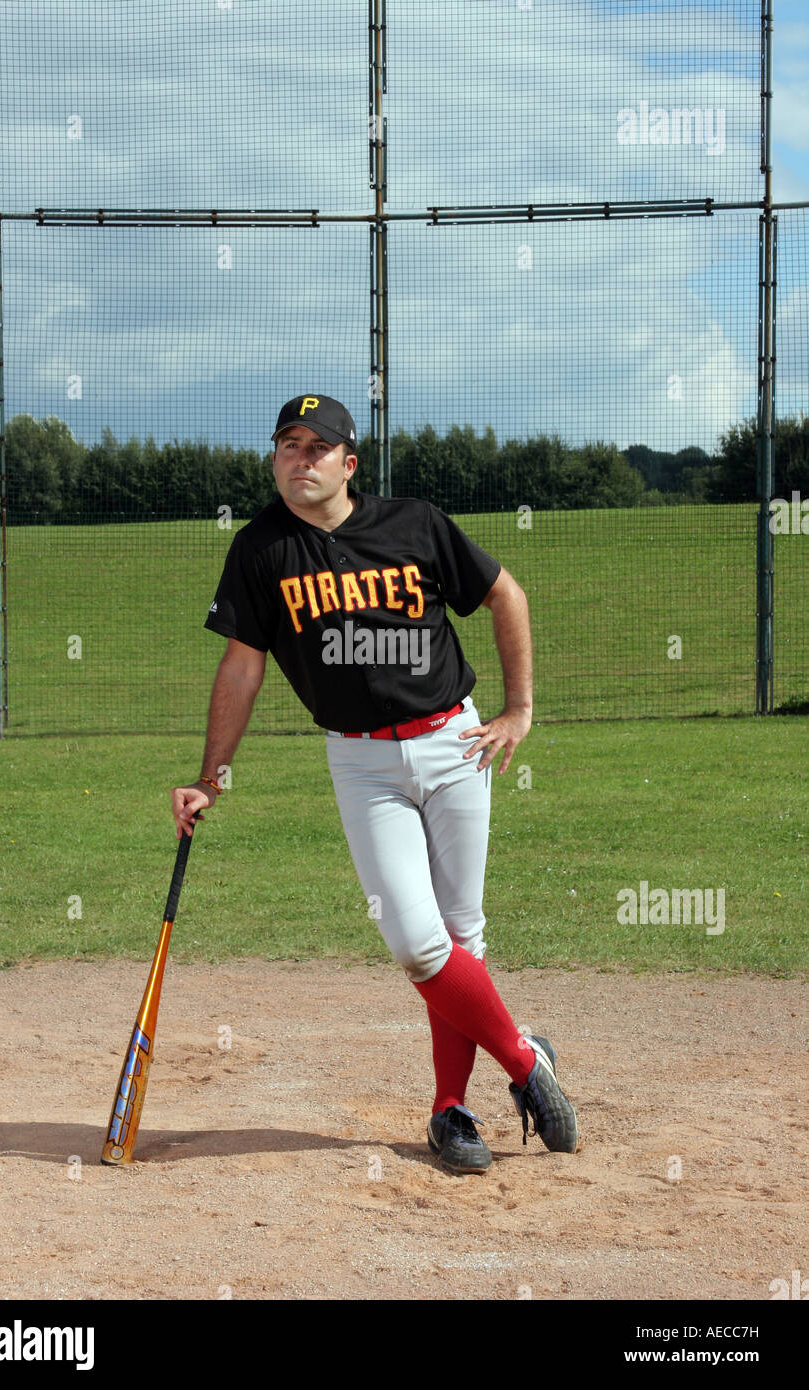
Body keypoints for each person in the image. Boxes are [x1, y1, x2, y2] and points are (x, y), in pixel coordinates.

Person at [171, 393, 578, 1173]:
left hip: (455, 744)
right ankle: (527, 1061)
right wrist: (210, 777)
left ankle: (450, 1113)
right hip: (361, 762)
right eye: (287, 444)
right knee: (418, 945)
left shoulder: (414, 524)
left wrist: (519, 708)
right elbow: (243, 665)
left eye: (317, 447)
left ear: (348, 463)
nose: (300, 458)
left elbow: (506, 595)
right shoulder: (261, 549)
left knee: (462, 934)